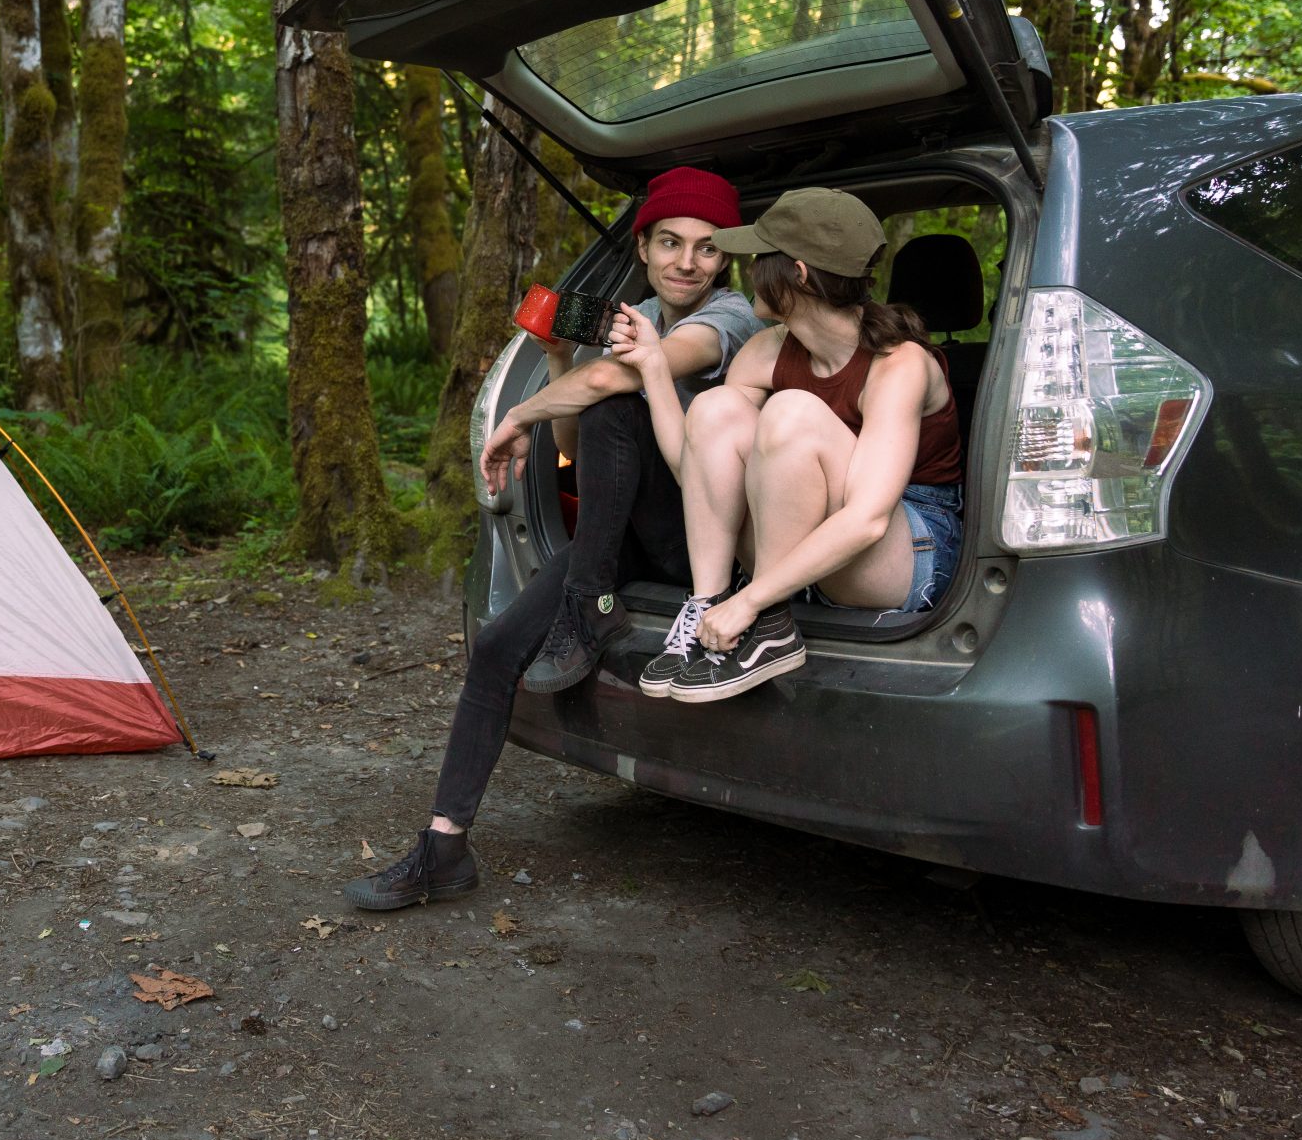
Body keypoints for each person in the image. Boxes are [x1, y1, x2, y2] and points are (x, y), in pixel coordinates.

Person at [343, 167, 762, 911]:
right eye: (670, 242)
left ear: (724, 259)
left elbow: (610, 394)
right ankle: (444, 847)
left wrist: (518, 415)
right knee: (498, 644)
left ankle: (590, 602)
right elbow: (578, 448)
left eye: (706, 247)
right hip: (624, 533)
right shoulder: (636, 314)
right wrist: (563, 357)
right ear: (643, 247)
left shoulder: (729, 319)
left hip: (704, 538)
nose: (687, 261)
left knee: (618, 400)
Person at [613, 186, 963, 704]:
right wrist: (653, 366)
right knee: (714, 408)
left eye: (761, 258)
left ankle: (768, 621)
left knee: (791, 410)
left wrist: (751, 599)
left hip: (908, 548)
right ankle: (707, 604)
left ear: (796, 274)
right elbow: (700, 477)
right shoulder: (765, 350)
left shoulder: (900, 363)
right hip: (805, 556)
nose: (748, 272)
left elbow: (868, 519)